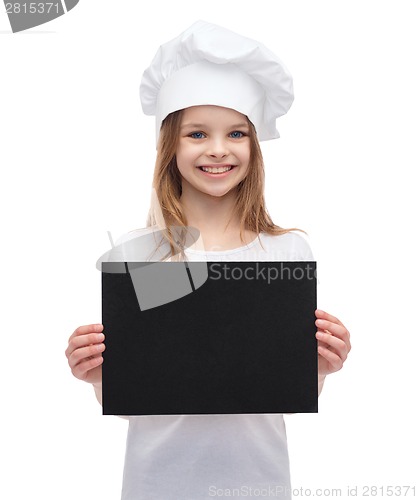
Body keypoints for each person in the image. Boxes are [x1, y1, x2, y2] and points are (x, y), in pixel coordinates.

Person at [65, 20, 351, 499]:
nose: (218, 150)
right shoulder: (137, 253)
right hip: (157, 484)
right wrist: (99, 377)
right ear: (170, 146)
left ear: (253, 146)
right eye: (197, 134)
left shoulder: (287, 251)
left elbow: (280, 388)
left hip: (258, 483)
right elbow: (138, 400)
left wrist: (320, 368)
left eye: (236, 133)